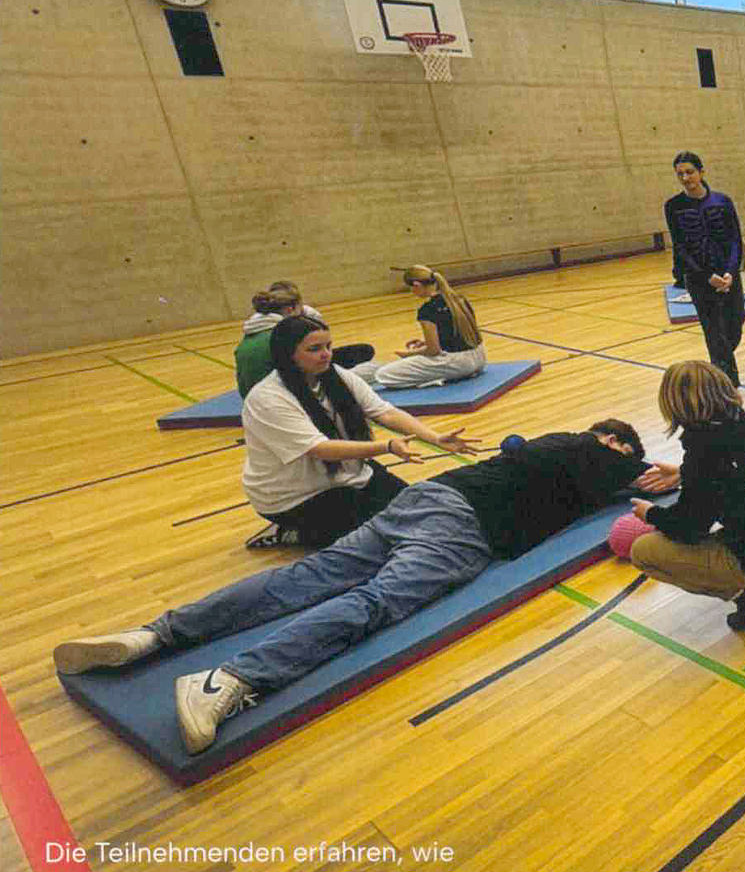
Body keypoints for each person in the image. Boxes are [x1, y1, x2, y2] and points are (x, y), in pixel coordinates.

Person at [54, 418, 654, 754]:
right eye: (623, 448)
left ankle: (153, 635)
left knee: (302, 578)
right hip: (463, 529)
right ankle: (230, 678)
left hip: (425, 497)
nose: (622, 458)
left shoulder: (553, 447)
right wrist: (647, 471)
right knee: (374, 603)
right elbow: (646, 477)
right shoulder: (590, 451)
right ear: (613, 442)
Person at [242, 316, 482, 550]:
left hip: (348, 475)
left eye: (328, 346)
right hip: (296, 496)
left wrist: (435, 438)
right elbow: (319, 449)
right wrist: (386, 446)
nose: (326, 354)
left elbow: (385, 412)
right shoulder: (268, 398)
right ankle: (292, 532)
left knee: (419, 510)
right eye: (315, 349)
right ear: (288, 354)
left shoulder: (336, 375)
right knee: (381, 537)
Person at [620, 361, 745, 632]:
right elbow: (737, 475)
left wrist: (650, 513)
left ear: (673, 404)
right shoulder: (740, 421)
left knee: (643, 551)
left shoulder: (705, 448)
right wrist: (684, 473)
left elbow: (689, 527)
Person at [664, 152, 745, 387]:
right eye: (680, 174)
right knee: (713, 330)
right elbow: (680, 246)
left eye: (689, 172)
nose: (685, 178)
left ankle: (718, 367)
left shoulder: (723, 201)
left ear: (701, 172)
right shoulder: (673, 206)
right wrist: (705, 276)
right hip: (698, 278)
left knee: (734, 325)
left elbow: (735, 239)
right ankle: (727, 384)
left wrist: (731, 271)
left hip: (728, 275)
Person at [355, 266, 486, 389]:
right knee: (402, 364)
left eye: (410, 288)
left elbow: (433, 350)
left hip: (458, 364)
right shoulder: (459, 299)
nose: (411, 292)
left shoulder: (428, 309)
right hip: (479, 358)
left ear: (417, 285)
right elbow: (459, 333)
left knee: (384, 374)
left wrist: (409, 354)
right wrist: (426, 343)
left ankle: (434, 379)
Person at [235, 282, 372, 397]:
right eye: (301, 308)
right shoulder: (284, 335)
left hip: (251, 395)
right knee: (367, 371)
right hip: (277, 396)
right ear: (290, 309)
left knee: (359, 352)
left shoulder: (254, 329)